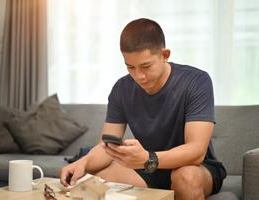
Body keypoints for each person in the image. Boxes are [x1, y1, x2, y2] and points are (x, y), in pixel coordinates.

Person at [60, 18, 226, 200]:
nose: (139, 76)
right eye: (130, 67)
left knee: (185, 177)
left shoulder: (196, 81)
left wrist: (149, 158)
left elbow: (196, 151)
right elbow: (107, 147)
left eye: (146, 66)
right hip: (146, 166)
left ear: (165, 55)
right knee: (95, 183)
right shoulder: (121, 89)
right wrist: (82, 163)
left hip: (194, 167)